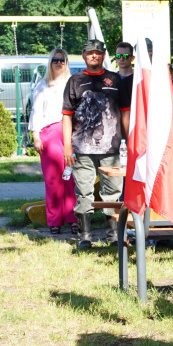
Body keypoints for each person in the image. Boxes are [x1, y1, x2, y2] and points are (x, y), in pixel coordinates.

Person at [61, 39, 131, 249]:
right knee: (84, 191)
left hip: (111, 148)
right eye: (90, 53)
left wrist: (128, 140)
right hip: (82, 148)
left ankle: (113, 236)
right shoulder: (75, 81)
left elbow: (125, 112)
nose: (94, 56)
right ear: (83, 55)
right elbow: (66, 116)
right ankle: (85, 236)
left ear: (103, 55)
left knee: (112, 192)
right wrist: (67, 145)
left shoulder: (114, 80)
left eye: (98, 53)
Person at [29, 48, 76, 235]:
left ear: (66, 62)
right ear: (50, 62)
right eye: (55, 60)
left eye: (62, 60)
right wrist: (36, 136)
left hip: (69, 133)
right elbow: (36, 112)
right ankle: (54, 220)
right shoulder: (42, 86)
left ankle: (73, 218)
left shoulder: (71, 84)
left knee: (69, 176)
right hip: (49, 133)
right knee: (52, 179)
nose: (58, 63)